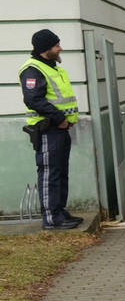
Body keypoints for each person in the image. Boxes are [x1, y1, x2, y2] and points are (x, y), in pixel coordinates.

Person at [19, 28, 82, 229]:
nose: (60, 48)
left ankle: (59, 211)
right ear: (46, 48)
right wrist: (60, 118)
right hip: (47, 130)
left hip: (60, 129)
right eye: (57, 45)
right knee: (49, 174)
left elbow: (61, 99)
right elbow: (33, 99)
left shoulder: (53, 68)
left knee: (61, 172)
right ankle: (52, 218)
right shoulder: (32, 69)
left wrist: (67, 120)